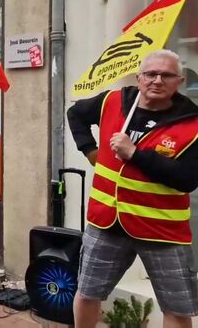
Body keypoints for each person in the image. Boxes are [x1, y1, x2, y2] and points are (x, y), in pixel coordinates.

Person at [67, 49, 198, 328]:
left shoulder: (193, 123)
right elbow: (75, 114)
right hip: (106, 222)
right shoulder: (113, 101)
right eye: (150, 74)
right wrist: (91, 151)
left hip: (162, 232)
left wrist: (135, 153)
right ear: (139, 78)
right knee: (88, 292)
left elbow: (187, 179)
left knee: (176, 309)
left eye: (166, 75)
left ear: (180, 81)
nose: (157, 80)